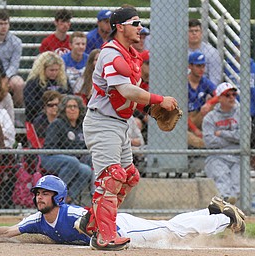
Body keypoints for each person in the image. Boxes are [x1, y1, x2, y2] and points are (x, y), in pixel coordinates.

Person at [82, 7, 178, 250]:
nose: (140, 28)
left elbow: (122, 98)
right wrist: (158, 100)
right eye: (135, 23)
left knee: (129, 176)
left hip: (119, 124)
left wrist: (146, 110)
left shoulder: (130, 55)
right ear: (120, 27)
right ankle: (105, 237)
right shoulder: (110, 54)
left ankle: (91, 223)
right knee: (112, 177)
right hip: (102, 123)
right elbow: (125, 91)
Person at [0, 175, 246, 249]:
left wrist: (88, 226)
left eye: (45, 193)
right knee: (168, 230)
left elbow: (92, 218)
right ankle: (212, 213)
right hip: (112, 231)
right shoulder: (37, 220)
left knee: (169, 232)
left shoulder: (70, 213)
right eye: (38, 193)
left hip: (120, 228)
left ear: (59, 197)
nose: (39, 197)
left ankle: (223, 217)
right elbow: (7, 231)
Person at [40, 95, 93, 204]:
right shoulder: (57, 124)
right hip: (50, 158)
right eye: (69, 107)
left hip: (73, 161)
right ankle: (56, 194)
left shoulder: (81, 126)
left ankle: (67, 199)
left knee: (86, 170)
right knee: (72, 162)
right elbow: (51, 147)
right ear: (64, 109)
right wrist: (72, 153)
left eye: (75, 106)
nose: (72, 109)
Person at [202, 82, 240, 205]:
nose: (232, 98)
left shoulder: (241, 114)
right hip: (217, 156)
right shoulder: (210, 117)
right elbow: (209, 142)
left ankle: (235, 215)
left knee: (237, 188)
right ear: (219, 98)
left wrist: (221, 133)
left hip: (238, 157)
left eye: (234, 94)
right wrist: (232, 138)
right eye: (227, 95)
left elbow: (243, 137)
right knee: (222, 182)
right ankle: (225, 209)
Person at [0, 9, 25, 107]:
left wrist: (5, 78)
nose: (3, 26)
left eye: (6, 23)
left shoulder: (16, 41)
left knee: (19, 83)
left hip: (8, 74)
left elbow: (14, 65)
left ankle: (16, 111)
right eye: (0, 23)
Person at [24, 51, 72, 122]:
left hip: (62, 116)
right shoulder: (34, 82)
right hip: (38, 117)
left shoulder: (63, 81)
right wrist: (50, 105)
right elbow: (30, 103)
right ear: (43, 69)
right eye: (51, 70)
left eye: (56, 70)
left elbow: (71, 96)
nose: (54, 73)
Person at [187, 51, 216, 149]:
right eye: (198, 66)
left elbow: (219, 95)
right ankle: (207, 144)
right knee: (188, 137)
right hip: (185, 120)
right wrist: (195, 130)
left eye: (203, 66)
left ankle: (210, 139)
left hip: (199, 115)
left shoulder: (204, 81)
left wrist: (209, 103)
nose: (201, 69)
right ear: (190, 66)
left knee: (214, 104)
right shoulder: (184, 82)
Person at [188, 19, 222, 85]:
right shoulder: (180, 52)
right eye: (191, 31)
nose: (194, 33)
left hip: (205, 90)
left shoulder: (212, 52)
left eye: (197, 31)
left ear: (201, 33)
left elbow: (215, 79)